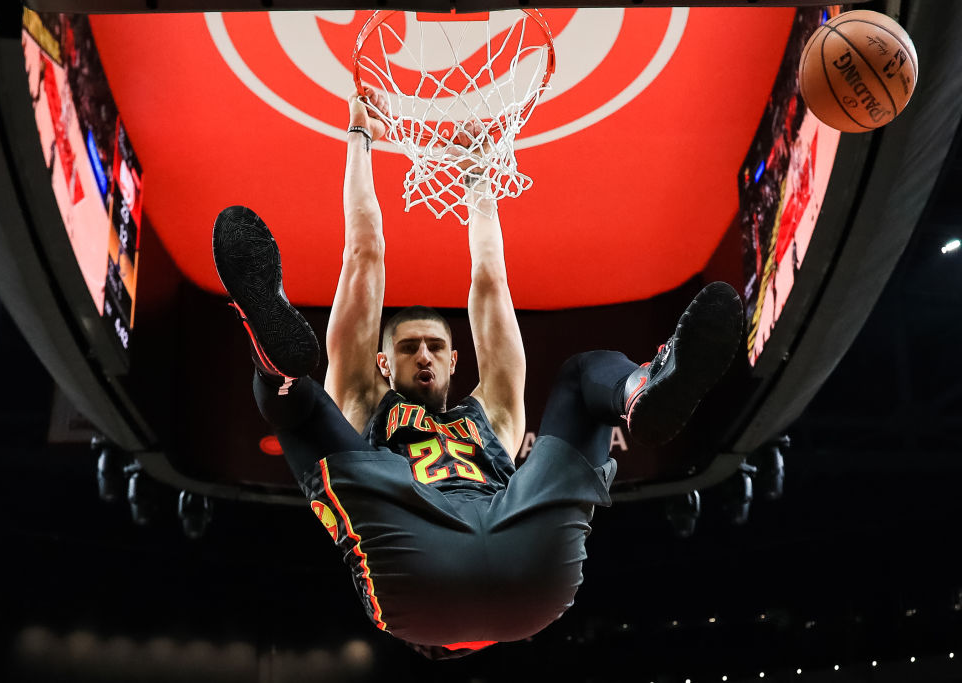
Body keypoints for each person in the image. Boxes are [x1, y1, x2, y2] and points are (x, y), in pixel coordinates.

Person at [212, 89, 744, 660]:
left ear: (454, 359)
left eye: (436, 345)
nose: (424, 355)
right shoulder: (369, 402)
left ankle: (644, 392)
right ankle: (276, 361)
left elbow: (490, 280)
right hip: (451, 555)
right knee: (314, 400)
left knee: (583, 375)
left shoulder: (490, 410)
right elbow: (362, 252)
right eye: (409, 346)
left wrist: (479, 179)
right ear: (382, 362)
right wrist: (359, 143)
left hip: (484, 558)